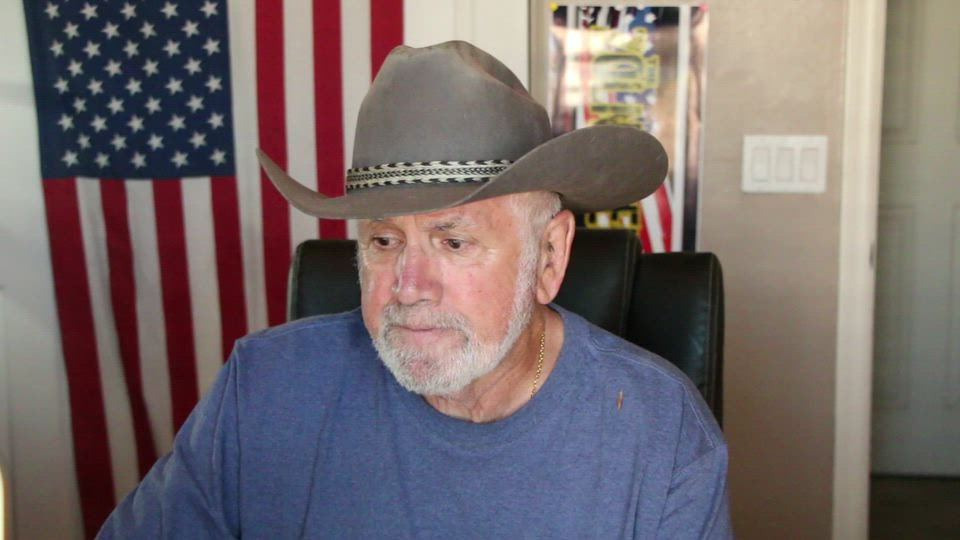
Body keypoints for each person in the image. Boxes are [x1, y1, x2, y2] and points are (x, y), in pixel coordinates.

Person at [98, 40, 731, 539]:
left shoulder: (658, 429)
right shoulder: (263, 389)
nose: (407, 288)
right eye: (384, 240)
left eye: (453, 242)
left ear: (549, 255)